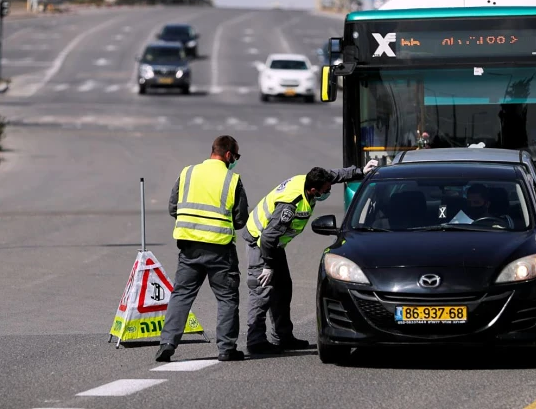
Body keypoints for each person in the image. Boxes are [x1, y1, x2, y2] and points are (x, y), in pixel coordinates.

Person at [242, 160, 378, 355]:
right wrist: (268, 266)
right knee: (262, 291)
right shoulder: (290, 205)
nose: (328, 191)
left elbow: (334, 175)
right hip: (261, 244)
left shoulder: (311, 180)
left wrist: (360, 171)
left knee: (283, 289)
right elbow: (267, 238)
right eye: (325, 190)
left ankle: (283, 336)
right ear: (313, 190)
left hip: (275, 245)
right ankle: (255, 341)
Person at [156, 135, 249, 363]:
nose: (235, 161)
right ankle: (226, 349)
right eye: (236, 157)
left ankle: (167, 343)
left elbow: (173, 207)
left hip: (189, 247)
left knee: (181, 295)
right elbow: (240, 219)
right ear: (228, 155)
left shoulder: (188, 173)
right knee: (227, 298)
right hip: (220, 249)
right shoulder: (232, 180)